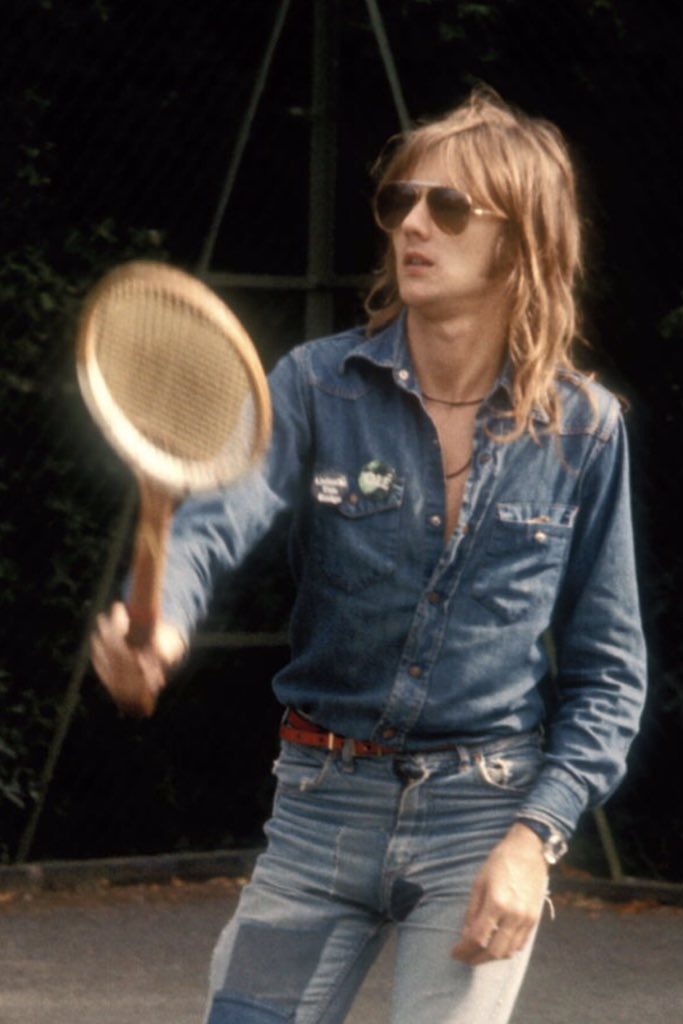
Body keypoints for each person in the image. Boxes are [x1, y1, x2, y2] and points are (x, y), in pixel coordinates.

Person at [91, 86, 646, 1024]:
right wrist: (162, 630)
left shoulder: (584, 430)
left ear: (523, 242)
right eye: (401, 202)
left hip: (483, 815)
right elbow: (214, 524)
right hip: (319, 809)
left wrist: (532, 838)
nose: (413, 224)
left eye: (451, 207)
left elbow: (611, 675)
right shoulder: (316, 387)